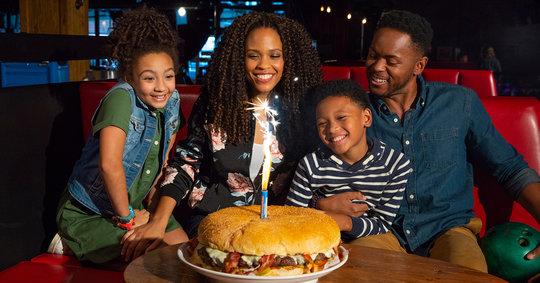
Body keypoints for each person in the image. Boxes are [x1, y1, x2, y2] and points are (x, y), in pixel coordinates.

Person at [316, 10, 540, 272]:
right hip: (378, 231)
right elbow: (316, 174)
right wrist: (320, 202)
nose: (377, 66)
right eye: (373, 55)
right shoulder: (351, 112)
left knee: (469, 275)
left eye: (391, 60)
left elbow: (510, 168)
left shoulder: (460, 103)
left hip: (449, 230)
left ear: (419, 66)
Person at [161, 12, 322, 238]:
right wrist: (159, 221)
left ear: (288, 60)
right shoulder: (215, 105)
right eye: (253, 56)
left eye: (274, 55)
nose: (264, 65)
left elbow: (317, 172)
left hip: (275, 223)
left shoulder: (301, 113)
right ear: (239, 59)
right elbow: (186, 163)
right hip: (214, 219)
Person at [52, 6, 189, 268]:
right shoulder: (120, 99)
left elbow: (161, 165)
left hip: (134, 209)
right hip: (89, 213)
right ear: (130, 77)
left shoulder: (172, 102)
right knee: (158, 260)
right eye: (149, 78)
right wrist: (128, 220)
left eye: (168, 76)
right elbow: (109, 164)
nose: (161, 86)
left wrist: (153, 217)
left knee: (186, 254)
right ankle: (71, 241)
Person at [285, 79, 411, 242]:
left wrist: (344, 222)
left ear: (366, 118)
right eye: (322, 123)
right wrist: (319, 205)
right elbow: (290, 217)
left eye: (341, 117)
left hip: (368, 243)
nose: (331, 129)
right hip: (317, 239)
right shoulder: (311, 165)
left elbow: (381, 224)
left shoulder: (396, 164)